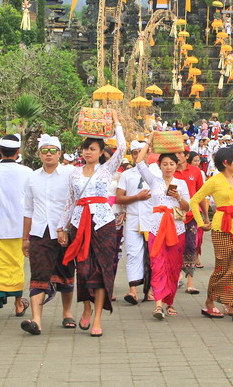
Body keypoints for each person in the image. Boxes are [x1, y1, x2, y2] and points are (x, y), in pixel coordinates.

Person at [58, 110, 125, 337]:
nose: (88, 152)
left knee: (102, 269)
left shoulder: (106, 169)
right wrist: (61, 227)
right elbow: (70, 202)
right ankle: (86, 307)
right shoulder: (74, 174)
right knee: (84, 270)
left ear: (101, 152)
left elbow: (122, 148)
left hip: (103, 223)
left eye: (93, 149)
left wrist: (116, 123)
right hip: (79, 222)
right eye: (85, 148)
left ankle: (97, 318)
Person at [189, 147, 233, 324]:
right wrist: (201, 222)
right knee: (223, 267)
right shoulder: (214, 181)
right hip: (222, 229)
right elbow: (194, 200)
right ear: (225, 162)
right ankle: (210, 301)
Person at [20, 135, 76, 335]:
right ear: (39, 154)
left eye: (53, 150)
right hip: (39, 232)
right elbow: (28, 210)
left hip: (64, 231)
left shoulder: (70, 174)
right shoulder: (32, 177)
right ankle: (36, 320)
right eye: (45, 150)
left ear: (60, 153)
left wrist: (67, 229)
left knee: (66, 271)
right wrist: (25, 238)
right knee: (39, 273)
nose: (49, 154)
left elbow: (74, 203)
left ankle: (67, 312)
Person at [134, 135, 190, 319]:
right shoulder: (154, 181)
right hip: (156, 228)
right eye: (164, 164)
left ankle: (169, 303)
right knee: (157, 265)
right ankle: (158, 304)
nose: (168, 167)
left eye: (171, 164)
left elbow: (188, 207)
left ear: (176, 166)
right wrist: (149, 141)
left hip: (176, 229)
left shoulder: (181, 184)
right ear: (159, 166)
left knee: (174, 267)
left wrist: (177, 197)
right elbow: (139, 162)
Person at [0, 134, 32, 324]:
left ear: (0, 151)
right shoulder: (28, 172)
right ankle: (18, 304)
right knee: (16, 267)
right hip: (19, 228)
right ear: (18, 152)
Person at [115, 141, 153, 305]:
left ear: (148, 152)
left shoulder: (155, 172)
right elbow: (119, 198)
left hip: (151, 219)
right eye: (135, 152)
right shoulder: (126, 174)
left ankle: (150, 290)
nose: (138, 155)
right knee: (133, 253)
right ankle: (133, 291)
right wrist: (137, 197)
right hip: (132, 218)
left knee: (151, 254)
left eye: (141, 151)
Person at [174, 145, 207, 295]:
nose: (177, 156)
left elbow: (201, 194)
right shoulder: (169, 170)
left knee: (191, 246)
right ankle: (176, 276)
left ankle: (190, 282)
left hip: (192, 214)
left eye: (180, 153)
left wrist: (206, 216)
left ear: (187, 156)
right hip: (175, 214)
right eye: (175, 153)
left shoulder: (196, 171)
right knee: (175, 246)